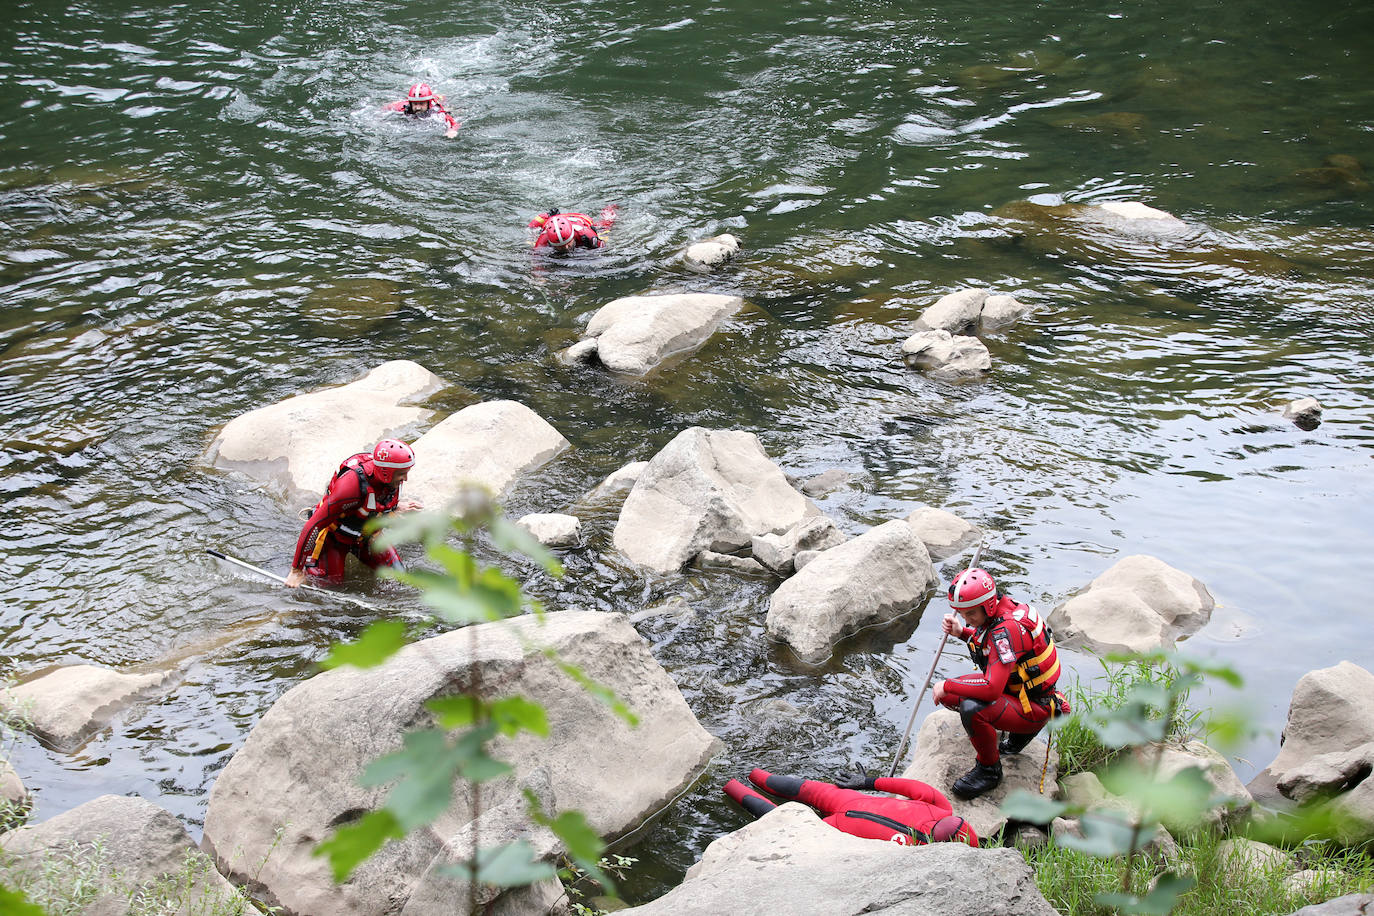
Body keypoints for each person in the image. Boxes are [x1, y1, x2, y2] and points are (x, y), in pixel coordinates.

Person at [932, 568, 1068, 799]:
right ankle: (1015, 739)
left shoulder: (1008, 630)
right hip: (1026, 696)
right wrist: (962, 632)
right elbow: (993, 646)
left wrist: (948, 685)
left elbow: (991, 688)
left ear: (989, 606)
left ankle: (989, 771)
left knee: (972, 708)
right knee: (951, 696)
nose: (967, 619)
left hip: (1034, 706)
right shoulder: (1007, 611)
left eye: (970, 614)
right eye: (962, 614)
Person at [285, 439, 422, 587]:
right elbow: (314, 525)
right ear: (386, 472)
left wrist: (396, 507)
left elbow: (375, 500)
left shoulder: (388, 478)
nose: (406, 479)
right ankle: (308, 570)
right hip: (334, 536)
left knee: (400, 580)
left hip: (367, 536)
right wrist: (296, 570)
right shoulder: (351, 486)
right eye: (402, 474)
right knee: (330, 585)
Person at [723, 768, 978, 846]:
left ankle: (739, 775)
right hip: (841, 821)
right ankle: (734, 782)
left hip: (845, 810)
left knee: (799, 795)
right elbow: (909, 785)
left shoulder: (940, 808)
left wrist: (867, 783)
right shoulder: (916, 848)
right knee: (784, 814)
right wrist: (866, 782)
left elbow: (908, 786)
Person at [529, 205, 618, 253]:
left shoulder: (586, 234)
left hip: (581, 219)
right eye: (560, 247)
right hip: (552, 220)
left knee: (605, 228)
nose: (566, 248)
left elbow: (604, 250)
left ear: (572, 236)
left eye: (568, 243)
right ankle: (547, 215)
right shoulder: (543, 239)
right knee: (530, 233)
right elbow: (536, 263)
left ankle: (611, 206)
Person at [384, 82, 459, 138]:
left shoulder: (437, 111)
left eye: (421, 104)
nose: (418, 107)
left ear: (428, 103)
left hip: (438, 99)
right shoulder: (404, 107)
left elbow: (453, 123)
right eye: (415, 104)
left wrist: (452, 131)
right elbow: (388, 107)